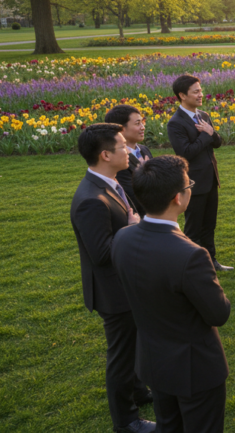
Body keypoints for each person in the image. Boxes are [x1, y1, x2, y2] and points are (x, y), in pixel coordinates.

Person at [113, 156, 231, 433]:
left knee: (168, 426)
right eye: (189, 184)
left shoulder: (121, 237)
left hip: (153, 360)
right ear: (178, 198)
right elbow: (219, 312)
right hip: (195, 368)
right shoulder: (190, 255)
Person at [70, 123, 154, 433]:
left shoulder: (110, 183)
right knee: (121, 356)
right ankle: (127, 421)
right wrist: (132, 228)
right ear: (105, 155)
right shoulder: (92, 199)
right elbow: (102, 255)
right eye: (122, 147)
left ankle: (140, 391)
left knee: (134, 345)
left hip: (125, 285)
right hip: (113, 293)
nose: (128, 151)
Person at [167, 74, 232, 271]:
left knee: (209, 225)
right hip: (193, 182)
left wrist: (211, 133)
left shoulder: (203, 115)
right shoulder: (175, 123)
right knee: (194, 228)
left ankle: (211, 261)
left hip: (211, 179)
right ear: (182, 95)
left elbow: (218, 142)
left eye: (200, 90)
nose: (200, 94)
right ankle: (192, 266)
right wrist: (206, 134)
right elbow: (186, 152)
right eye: (196, 92)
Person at [106, 104, 153, 216]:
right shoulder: (117, 159)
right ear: (120, 129)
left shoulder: (144, 150)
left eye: (142, 122)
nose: (143, 127)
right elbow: (133, 196)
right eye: (137, 123)